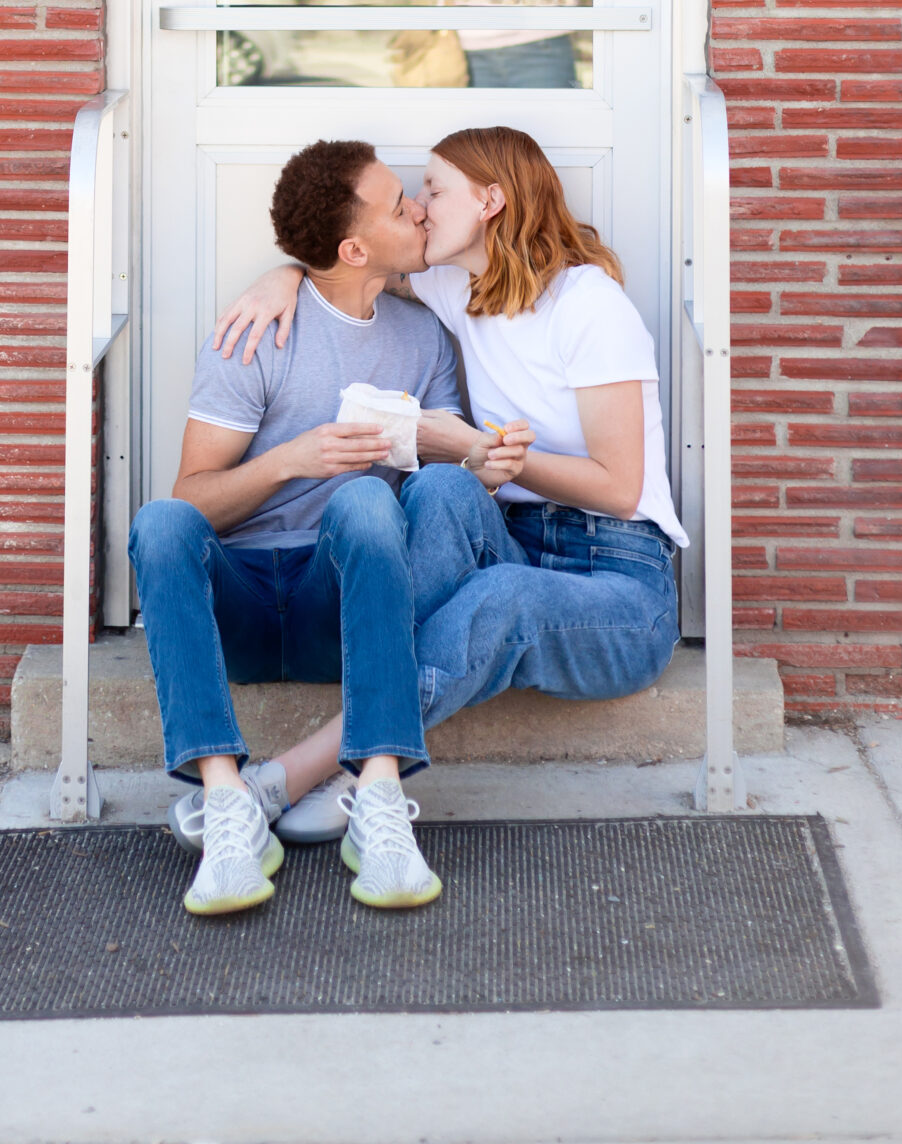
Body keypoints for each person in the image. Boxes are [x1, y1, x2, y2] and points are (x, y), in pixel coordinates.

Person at [127, 137, 525, 920]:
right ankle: (228, 809)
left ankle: (377, 800)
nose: (420, 210)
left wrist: (484, 460)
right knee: (160, 521)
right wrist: (289, 461)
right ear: (353, 249)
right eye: (399, 206)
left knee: (367, 500)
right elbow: (193, 498)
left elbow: (438, 482)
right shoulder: (256, 333)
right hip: (242, 608)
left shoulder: (422, 336)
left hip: (340, 607)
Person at [212, 125, 686, 751]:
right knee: (437, 487)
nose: (419, 207)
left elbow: (621, 490)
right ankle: (376, 676)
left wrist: (485, 454)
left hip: (620, 575)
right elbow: (350, 263)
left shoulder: (590, 306)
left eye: (433, 190)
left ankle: (311, 769)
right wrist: (284, 275)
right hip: (514, 543)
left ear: (490, 201)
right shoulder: (455, 285)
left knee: (502, 591)